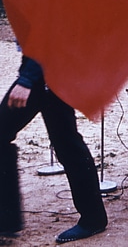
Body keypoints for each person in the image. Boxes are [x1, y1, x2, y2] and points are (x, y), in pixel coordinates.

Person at [0, 54, 108, 243]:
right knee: (67, 143)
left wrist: (26, 80)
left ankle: (93, 219)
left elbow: (49, 40)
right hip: (46, 71)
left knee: (67, 144)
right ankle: (6, 219)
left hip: (47, 72)